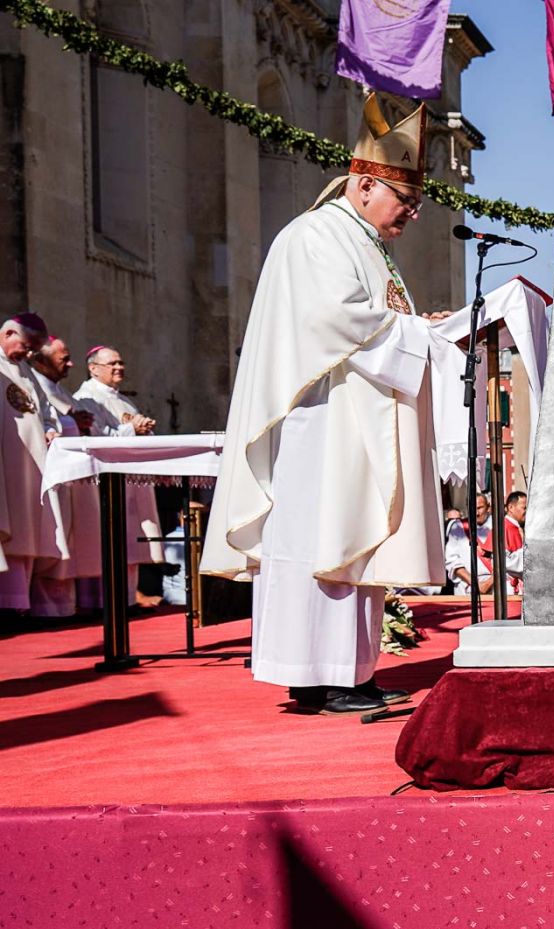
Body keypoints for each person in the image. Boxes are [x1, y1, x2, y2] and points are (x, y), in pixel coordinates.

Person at [201, 94, 461, 716]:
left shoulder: (366, 243)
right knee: (319, 539)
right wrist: (419, 335)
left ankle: (350, 671)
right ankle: (312, 677)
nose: (413, 215)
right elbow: (333, 320)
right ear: (367, 184)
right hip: (320, 423)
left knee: (355, 537)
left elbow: (375, 320)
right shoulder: (316, 235)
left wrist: (418, 327)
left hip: (356, 416)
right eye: (406, 201)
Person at [73, 345, 166, 606]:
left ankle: (126, 600)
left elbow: (131, 432)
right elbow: (98, 439)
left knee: (130, 540)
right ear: (93, 368)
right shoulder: (85, 398)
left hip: (130, 478)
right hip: (107, 480)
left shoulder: (123, 400)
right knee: (109, 539)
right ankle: (100, 602)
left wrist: (144, 430)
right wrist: (131, 429)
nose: (119, 368)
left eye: (120, 363)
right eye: (111, 363)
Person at [27, 337, 100, 617]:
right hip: (50, 475)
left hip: (68, 475)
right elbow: (48, 425)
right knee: (55, 537)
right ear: (41, 361)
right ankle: (45, 609)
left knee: (69, 538)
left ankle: (65, 607)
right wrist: (72, 423)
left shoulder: (58, 390)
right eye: (63, 358)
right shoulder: (33, 383)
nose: (70, 364)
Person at [0, 313, 59, 614]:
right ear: (8, 333)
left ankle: (20, 605)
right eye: (27, 346)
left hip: (31, 465)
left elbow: (46, 412)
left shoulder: (26, 371)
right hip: (6, 464)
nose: (30, 354)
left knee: (27, 534)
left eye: (35, 349)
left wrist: (50, 428)